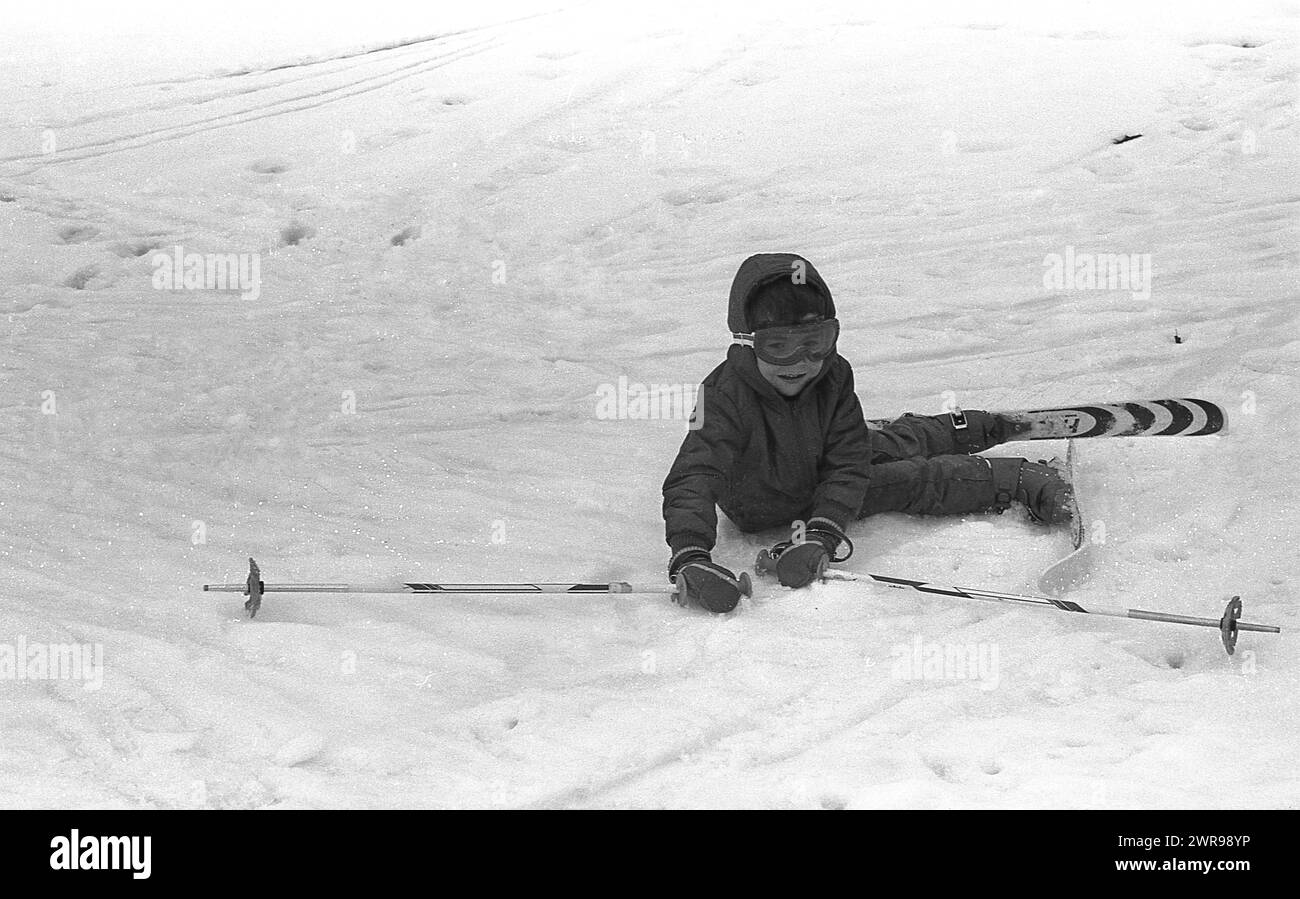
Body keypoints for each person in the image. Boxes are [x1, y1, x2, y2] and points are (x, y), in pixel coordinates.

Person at [662, 252, 1072, 613]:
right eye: (779, 347)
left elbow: (848, 458)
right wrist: (691, 552)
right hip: (775, 501)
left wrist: (828, 511)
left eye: (816, 340)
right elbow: (692, 476)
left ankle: (978, 427)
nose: (802, 361)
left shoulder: (832, 373)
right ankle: (1011, 479)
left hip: (821, 455)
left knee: (894, 441)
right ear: (746, 343)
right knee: (910, 480)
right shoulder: (722, 396)